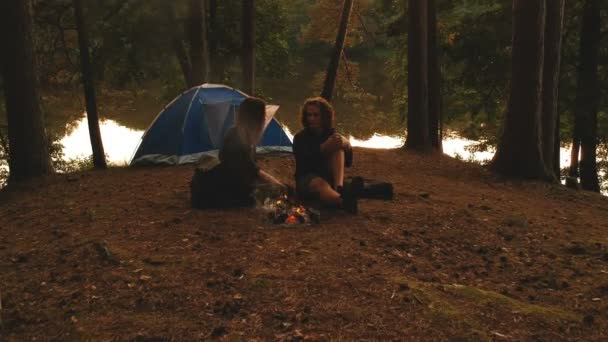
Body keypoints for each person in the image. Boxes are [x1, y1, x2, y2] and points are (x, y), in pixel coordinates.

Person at [191, 96, 287, 208]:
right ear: (256, 118)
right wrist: (275, 183)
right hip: (219, 189)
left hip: (229, 181)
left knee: (269, 189)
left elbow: (248, 170)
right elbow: (251, 169)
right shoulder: (235, 137)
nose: (265, 119)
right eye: (263, 116)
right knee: (267, 193)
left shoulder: (242, 135)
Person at [292, 97, 361, 213]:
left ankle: (339, 188)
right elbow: (305, 162)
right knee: (320, 184)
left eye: (316, 115)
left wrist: (346, 145)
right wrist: (323, 147)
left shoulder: (330, 134)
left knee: (338, 149)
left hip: (329, 177)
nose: (312, 119)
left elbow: (348, 162)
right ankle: (343, 202)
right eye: (309, 115)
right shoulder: (300, 137)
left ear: (324, 117)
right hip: (308, 179)